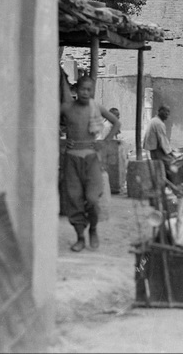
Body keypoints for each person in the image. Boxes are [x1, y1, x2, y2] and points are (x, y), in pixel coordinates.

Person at [60, 75, 120, 252]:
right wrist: (61, 141)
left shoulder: (96, 107)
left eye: (89, 90)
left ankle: (93, 229)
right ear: (76, 90)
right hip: (71, 159)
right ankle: (80, 237)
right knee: (74, 199)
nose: (86, 93)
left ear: (93, 91)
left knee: (93, 199)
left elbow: (116, 123)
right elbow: (46, 123)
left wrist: (105, 141)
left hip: (92, 159)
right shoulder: (66, 107)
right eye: (82, 89)